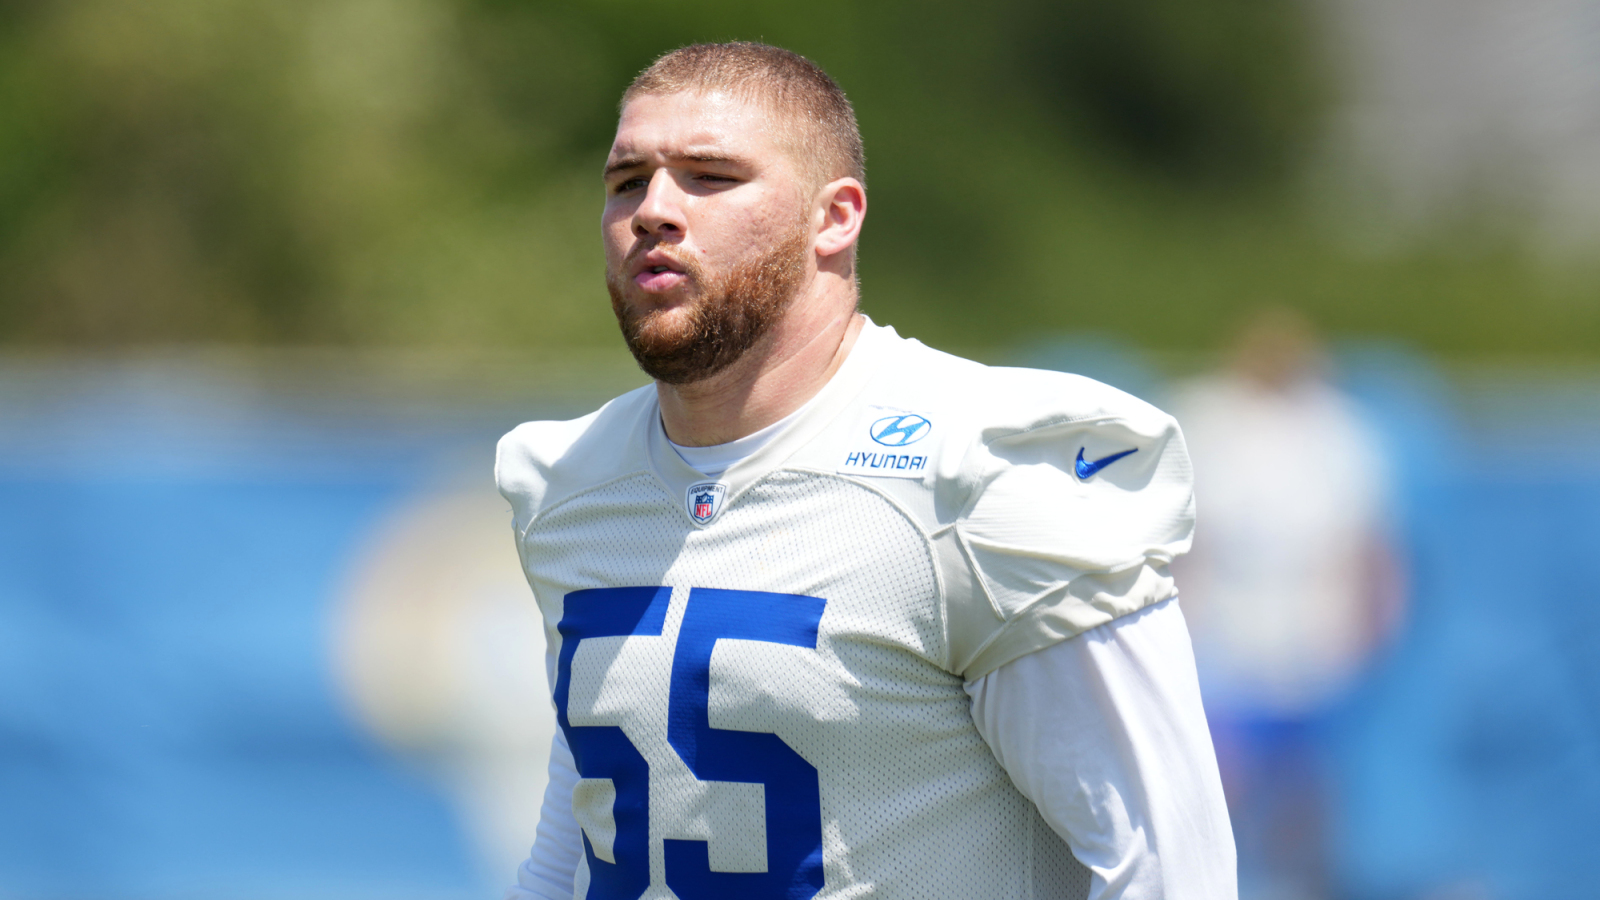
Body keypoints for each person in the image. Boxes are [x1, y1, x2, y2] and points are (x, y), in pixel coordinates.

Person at [496, 42, 1234, 900]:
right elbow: (580, 838)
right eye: (628, 181)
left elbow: (1166, 868)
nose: (654, 210)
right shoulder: (571, 481)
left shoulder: (977, 471)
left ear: (834, 217)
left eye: (709, 176)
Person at [1169, 308, 1402, 900]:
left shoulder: (1337, 431)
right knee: (1217, 788)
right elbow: (1183, 545)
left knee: (1306, 795)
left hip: (1315, 645)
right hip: (1224, 645)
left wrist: (1368, 640)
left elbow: (1370, 547)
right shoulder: (1206, 419)